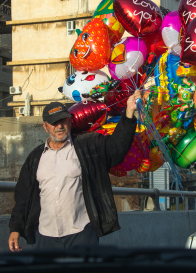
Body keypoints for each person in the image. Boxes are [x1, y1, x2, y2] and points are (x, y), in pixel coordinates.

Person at [8, 90, 142, 252]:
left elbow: (116, 148)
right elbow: (23, 196)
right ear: (45, 127)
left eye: (63, 120)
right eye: (53, 122)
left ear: (70, 121)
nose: (59, 126)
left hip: (81, 233)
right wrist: (15, 228)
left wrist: (128, 113)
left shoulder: (88, 145)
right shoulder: (35, 158)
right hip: (46, 237)